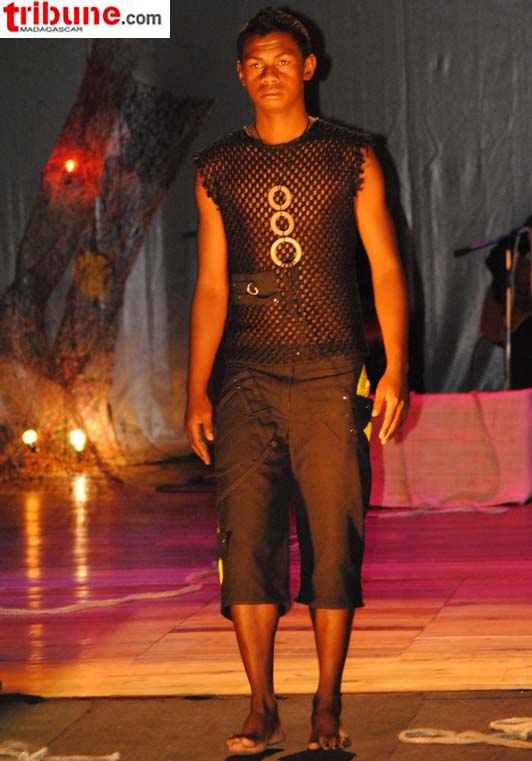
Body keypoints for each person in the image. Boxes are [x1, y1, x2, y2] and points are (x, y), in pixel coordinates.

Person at [185, 6, 409, 754]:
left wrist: (395, 367)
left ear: (309, 67)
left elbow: (385, 266)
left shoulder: (352, 156)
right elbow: (211, 286)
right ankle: (261, 706)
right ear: (240, 74)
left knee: (334, 541)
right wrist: (195, 388)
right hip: (245, 375)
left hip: (331, 371)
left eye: (283, 59)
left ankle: (326, 704)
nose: (270, 73)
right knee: (246, 538)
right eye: (256, 63)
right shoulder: (218, 166)